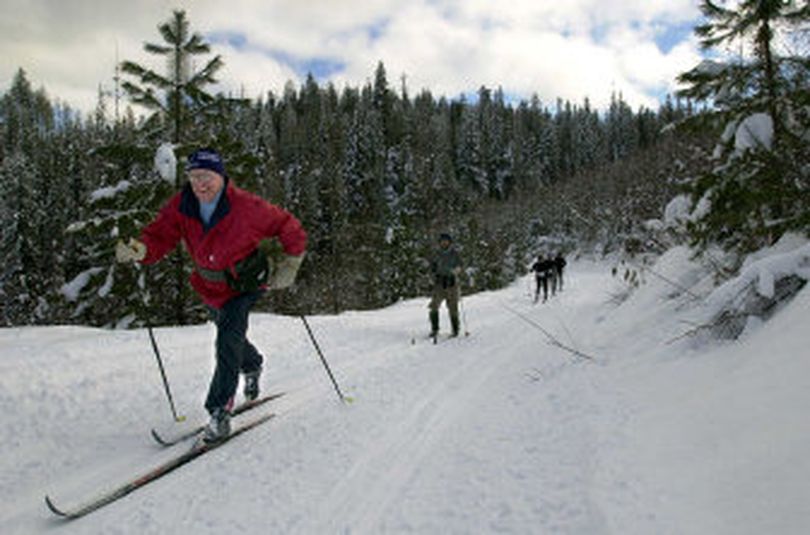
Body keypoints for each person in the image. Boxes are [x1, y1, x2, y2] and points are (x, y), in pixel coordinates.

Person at [115, 147, 307, 443]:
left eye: (206, 177)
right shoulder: (183, 204)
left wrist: (290, 262)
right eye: (193, 177)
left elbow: (288, 225)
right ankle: (253, 364)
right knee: (231, 335)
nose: (200, 184)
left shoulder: (245, 206)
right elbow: (160, 235)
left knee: (227, 340)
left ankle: (220, 411)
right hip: (210, 286)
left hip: (244, 284)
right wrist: (141, 249)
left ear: (220, 176)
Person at [428, 233, 462, 338]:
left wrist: (456, 271)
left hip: (452, 284)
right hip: (439, 284)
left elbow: (460, 265)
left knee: (453, 308)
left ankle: (455, 330)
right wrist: (432, 274)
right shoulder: (437, 254)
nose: (444, 242)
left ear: (449, 242)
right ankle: (435, 329)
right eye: (442, 241)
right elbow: (432, 267)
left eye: (446, 241)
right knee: (434, 306)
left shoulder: (454, 254)